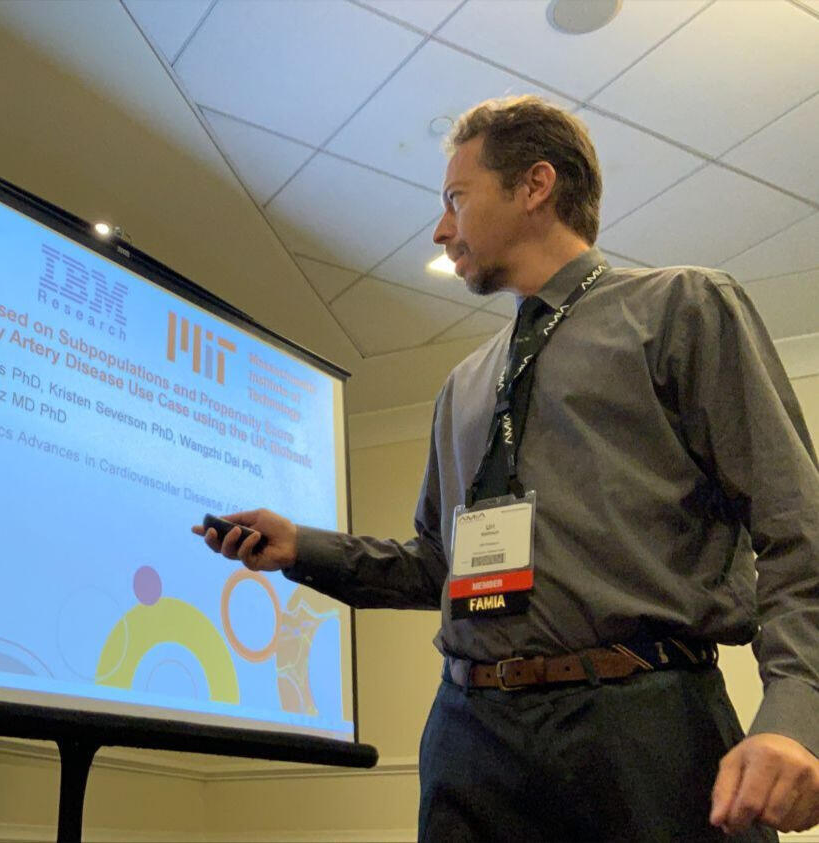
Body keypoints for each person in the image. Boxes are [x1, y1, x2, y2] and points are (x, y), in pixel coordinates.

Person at [193, 95, 819, 842]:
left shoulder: (680, 308)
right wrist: (304, 548)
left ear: (534, 186)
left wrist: (794, 715)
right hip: (469, 738)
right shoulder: (462, 385)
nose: (440, 229)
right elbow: (439, 565)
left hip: (642, 729)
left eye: (456, 198)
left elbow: (797, 526)